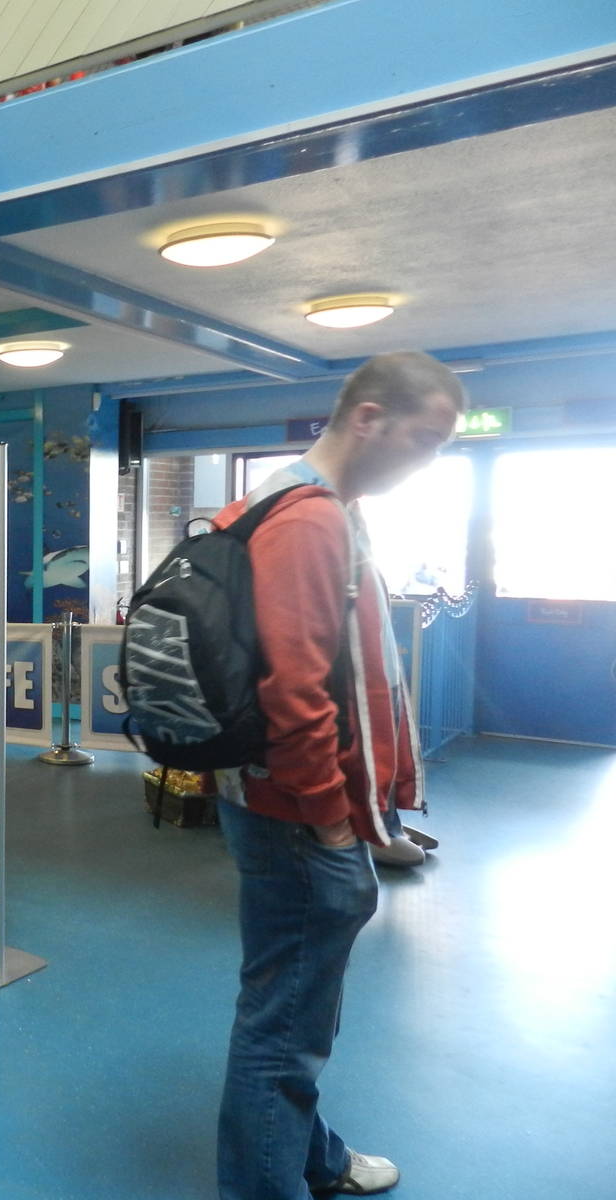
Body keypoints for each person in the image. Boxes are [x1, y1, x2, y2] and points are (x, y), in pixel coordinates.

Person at [212, 351, 466, 1199]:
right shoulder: (308, 517)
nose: (428, 458)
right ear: (367, 418)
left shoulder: (283, 502)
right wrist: (329, 819)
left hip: (277, 802)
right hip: (297, 815)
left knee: (292, 1010)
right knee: (282, 1024)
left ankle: (312, 1156)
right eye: (425, 438)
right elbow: (295, 690)